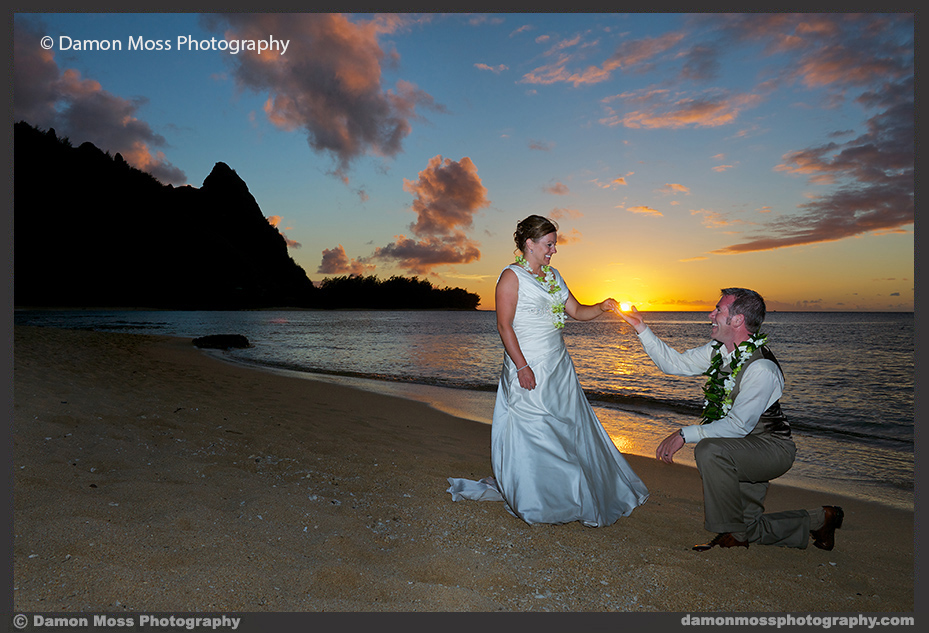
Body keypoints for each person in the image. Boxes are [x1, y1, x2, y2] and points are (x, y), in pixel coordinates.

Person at [447, 215, 648, 526]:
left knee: (566, 429)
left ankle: (566, 494)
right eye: (549, 244)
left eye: (554, 245)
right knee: (535, 429)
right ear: (530, 244)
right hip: (526, 364)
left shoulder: (554, 276)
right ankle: (537, 499)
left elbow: (578, 311)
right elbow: (504, 326)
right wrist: (522, 366)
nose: (553, 250)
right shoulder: (511, 277)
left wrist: (602, 306)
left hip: (558, 366)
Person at [615, 288, 843, 550]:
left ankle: (730, 532)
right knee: (748, 527)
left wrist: (682, 435)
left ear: (737, 320)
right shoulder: (720, 351)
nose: (710, 314)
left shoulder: (761, 368)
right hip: (738, 445)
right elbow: (675, 364)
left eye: (718, 310)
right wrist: (642, 329)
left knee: (709, 450)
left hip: (771, 448)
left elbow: (738, 425)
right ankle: (821, 518)